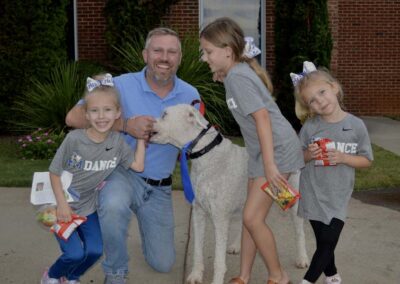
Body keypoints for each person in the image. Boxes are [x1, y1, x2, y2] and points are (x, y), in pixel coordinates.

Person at [65, 28, 200, 283]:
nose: (165, 57)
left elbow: (195, 139)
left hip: (159, 187)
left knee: (163, 263)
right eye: (158, 50)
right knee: (114, 206)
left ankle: (134, 230)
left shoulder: (190, 95)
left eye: (172, 52)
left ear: (179, 58)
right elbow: (73, 118)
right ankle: (115, 270)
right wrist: (125, 125)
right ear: (145, 55)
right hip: (122, 174)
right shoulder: (120, 84)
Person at [200, 17, 304, 284]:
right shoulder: (234, 75)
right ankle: (244, 276)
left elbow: (262, 118)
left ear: (227, 50)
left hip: (276, 151)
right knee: (252, 215)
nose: (204, 57)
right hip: (262, 150)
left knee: (252, 217)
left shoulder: (239, 77)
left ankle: (278, 276)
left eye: (208, 51)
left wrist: (270, 166)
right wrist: (221, 77)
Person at [42, 73, 146, 284]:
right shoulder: (75, 140)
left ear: (118, 113)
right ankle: (51, 276)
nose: (101, 116)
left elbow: (137, 166)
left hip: (87, 209)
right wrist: (61, 205)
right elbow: (53, 172)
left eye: (107, 110)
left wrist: (142, 139)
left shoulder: (117, 143)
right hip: (59, 207)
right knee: (74, 254)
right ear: (86, 115)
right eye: (94, 111)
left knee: (96, 251)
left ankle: (71, 277)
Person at [291, 61, 373, 284]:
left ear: (334, 87)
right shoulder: (311, 127)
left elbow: (367, 160)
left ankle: (307, 281)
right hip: (313, 193)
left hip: (338, 196)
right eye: (312, 101)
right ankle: (332, 275)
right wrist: (310, 153)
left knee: (328, 241)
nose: (320, 101)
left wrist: (344, 158)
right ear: (309, 107)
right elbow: (297, 158)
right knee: (324, 243)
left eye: (322, 92)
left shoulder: (356, 125)